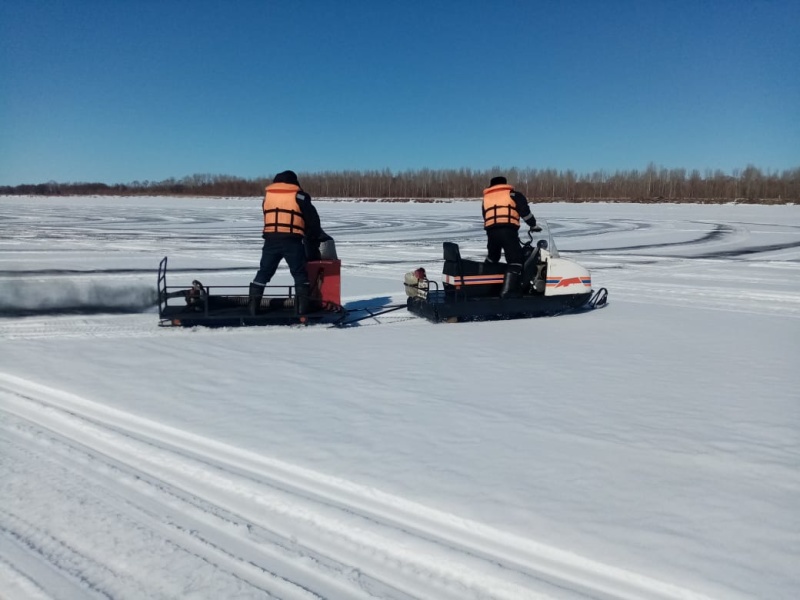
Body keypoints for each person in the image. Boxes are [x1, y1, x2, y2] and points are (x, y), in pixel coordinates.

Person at [249, 170, 321, 315]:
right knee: (299, 274)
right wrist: (313, 236)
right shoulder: (299, 196)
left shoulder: (267, 197)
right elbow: (313, 219)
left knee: (264, 273)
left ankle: (252, 309)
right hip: (292, 241)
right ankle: (302, 310)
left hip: (271, 240)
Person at [482, 175, 539, 298]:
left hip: (491, 232)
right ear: (504, 184)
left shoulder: (486, 198)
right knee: (515, 261)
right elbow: (525, 212)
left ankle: (484, 287)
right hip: (508, 231)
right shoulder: (512, 195)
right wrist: (533, 225)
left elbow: (485, 215)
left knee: (492, 259)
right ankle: (508, 293)